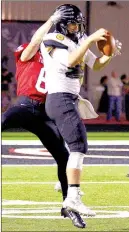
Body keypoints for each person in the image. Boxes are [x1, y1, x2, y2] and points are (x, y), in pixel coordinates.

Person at [1, 7, 86, 229]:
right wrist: (50, 21)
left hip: (47, 111)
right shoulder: (32, 52)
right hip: (26, 104)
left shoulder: (60, 57)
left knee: (64, 156)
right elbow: (32, 46)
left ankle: (70, 205)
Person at [40, 4, 122, 216]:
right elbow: (69, 61)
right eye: (73, 24)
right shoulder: (53, 40)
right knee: (78, 144)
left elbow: (95, 65)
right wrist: (89, 40)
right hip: (59, 98)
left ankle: (67, 184)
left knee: (72, 146)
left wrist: (111, 54)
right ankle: (72, 197)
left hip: (68, 99)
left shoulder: (74, 41)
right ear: (62, 25)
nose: (77, 28)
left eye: (79, 24)